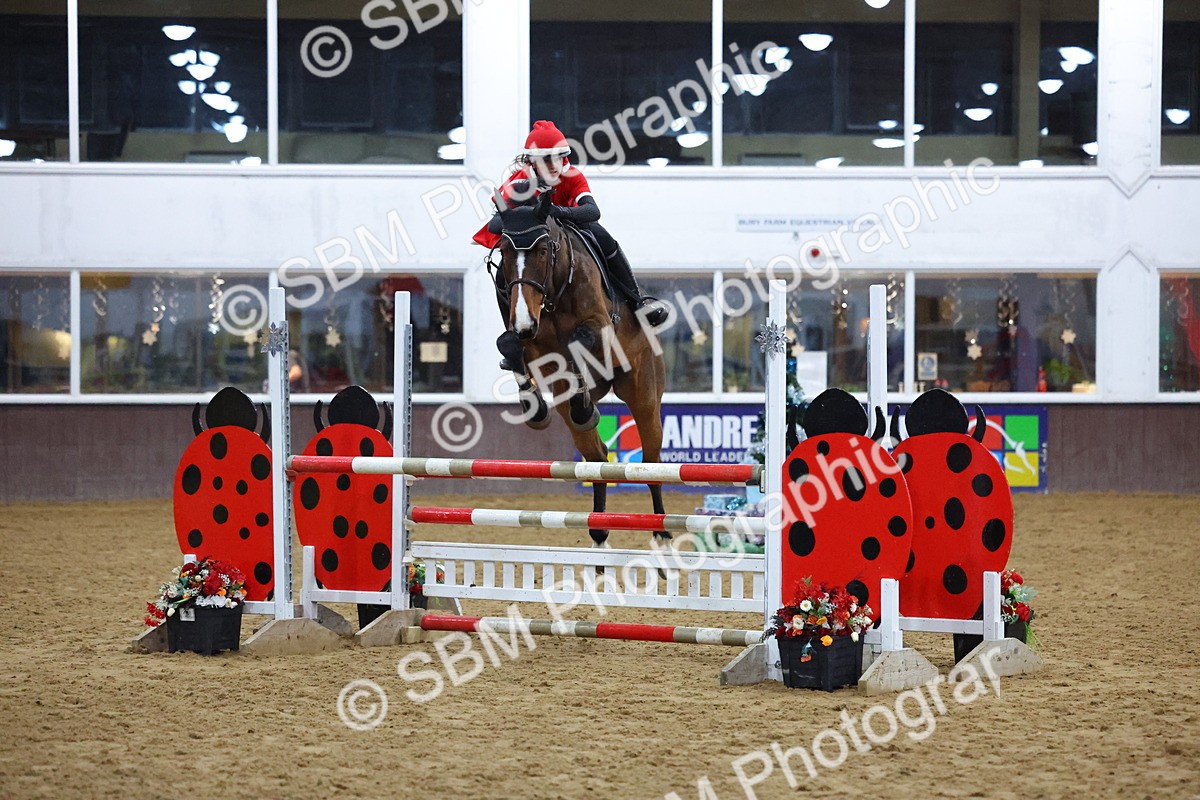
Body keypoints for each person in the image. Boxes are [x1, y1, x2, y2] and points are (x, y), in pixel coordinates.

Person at [473, 120, 668, 368]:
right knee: (506, 269)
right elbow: (494, 225)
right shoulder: (518, 183)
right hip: (533, 242)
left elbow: (592, 211)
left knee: (605, 237)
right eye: (547, 160)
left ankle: (637, 300)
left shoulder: (571, 175)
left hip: (571, 230)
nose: (555, 165)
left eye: (559, 157)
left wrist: (555, 212)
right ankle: (513, 333)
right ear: (532, 162)